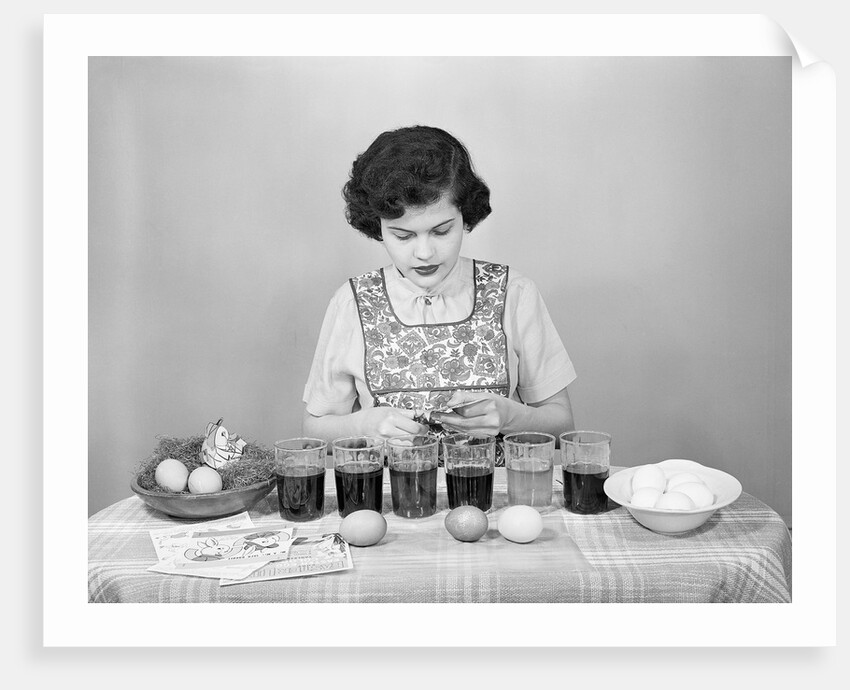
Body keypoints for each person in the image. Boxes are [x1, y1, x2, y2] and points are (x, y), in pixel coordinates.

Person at [301, 125, 576, 460]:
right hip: (388, 502)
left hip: (497, 502)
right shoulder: (352, 302)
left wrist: (510, 416)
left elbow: (562, 424)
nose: (424, 253)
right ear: (377, 226)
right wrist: (365, 425)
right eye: (403, 236)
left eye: (442, 230)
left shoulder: (513, 294)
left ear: (465, 215)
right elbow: (315, 428)